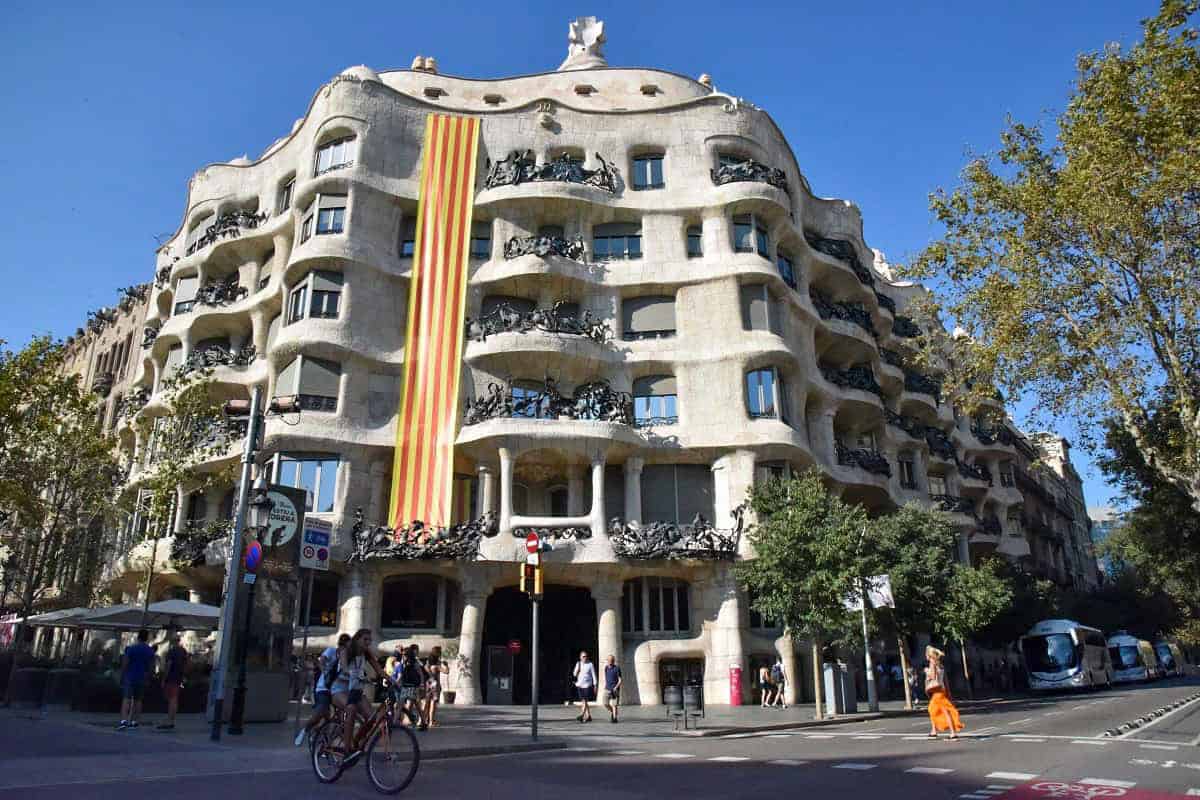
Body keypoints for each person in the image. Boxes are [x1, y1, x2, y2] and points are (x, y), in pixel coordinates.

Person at [331, 629, 391, 757]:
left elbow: (380, 671)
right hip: (339, 689)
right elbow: (344, 667)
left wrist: (395, 683)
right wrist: (356, 674)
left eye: (370, 640)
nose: (368, 642)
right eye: (365, 639)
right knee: (351, 709)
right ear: (357, 639)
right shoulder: (345, 650)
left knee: (371, 718)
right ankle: (347, 750)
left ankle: (356, 742)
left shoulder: (366, 653)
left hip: (356, 690)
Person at [295, 632, 350, 747]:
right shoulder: (331, 651)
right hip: (324, 688)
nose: (346, 650)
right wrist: (325, 671)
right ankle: (305, 731)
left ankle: (325, 740)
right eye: (345, 646)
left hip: (337, 690)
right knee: (321, 711)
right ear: (341, 645)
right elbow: (321, 661)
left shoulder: (347, 658)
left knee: (337, 719)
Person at [117, 629, 156, 730]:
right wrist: (149, 677)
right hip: (142, 678)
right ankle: (135, 721)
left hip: (130, 676)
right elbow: (152, 667)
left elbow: (125, 663)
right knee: (138, 701)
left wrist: (121, 675)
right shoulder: (150, 651)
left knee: (127, 699)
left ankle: (123, 721)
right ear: (147, 638)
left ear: (138, 637)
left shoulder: (131, 649)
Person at [924, 645, 963, 740]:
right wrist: (948, 692)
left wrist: (926, 671)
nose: (925, 656)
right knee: (932, 709)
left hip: (937, 691)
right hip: (942, 689)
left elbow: (933, 676)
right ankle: (934, 731)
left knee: (945, 711)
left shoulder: (932, 663)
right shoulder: (940, 664)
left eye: (926, 654)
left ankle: (953, 733)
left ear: (929, 655)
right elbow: (946, 680)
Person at [156, 634, 188, 730]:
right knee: (175, 699)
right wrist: (183, 676)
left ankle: (169, 721)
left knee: (171, 699)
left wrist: (164, 678)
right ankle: (172, 719)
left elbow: (168, 666)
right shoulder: (183, 651)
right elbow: (186, 664)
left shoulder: (171, 651)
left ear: (173, 641)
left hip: (171, 678)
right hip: (179, 677)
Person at [395, 644, 429, 729]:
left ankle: (395, 722)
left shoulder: (414, 663)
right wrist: (397, 683)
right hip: (406, 686)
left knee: (407, 705)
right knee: (412, 705)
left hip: (412, 687)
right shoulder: (403, 663)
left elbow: (420, 674)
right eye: (403, 655)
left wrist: (421, 684)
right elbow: (402, 675)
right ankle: (423, 722)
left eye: (405, 655)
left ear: (409, 655)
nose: (403, 656)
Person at [572, 651, 596, 723]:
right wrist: (576, 671)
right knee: (583, 701)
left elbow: (593, 675)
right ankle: (588, 716)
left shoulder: (590, 664)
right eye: (583, 656)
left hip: (587, 685)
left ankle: (582, 715)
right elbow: (574, 674)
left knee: (585, 700)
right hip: (580, 685)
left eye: (586, 656)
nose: (585, 658)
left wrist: (595, 684)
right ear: (580, 657)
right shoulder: (578, 664)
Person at [602, 654, 622, 723]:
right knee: (605, 704)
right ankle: (613, 712)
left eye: (612, 660)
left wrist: (616, 687)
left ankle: (614, 718)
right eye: (609, 660)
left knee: (614, 705)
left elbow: (620, 680)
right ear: (607, 661)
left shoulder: (617, 668)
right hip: (607, 689)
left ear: (614, 661)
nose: (610, 661)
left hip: (615, 690)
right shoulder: (606, 668)